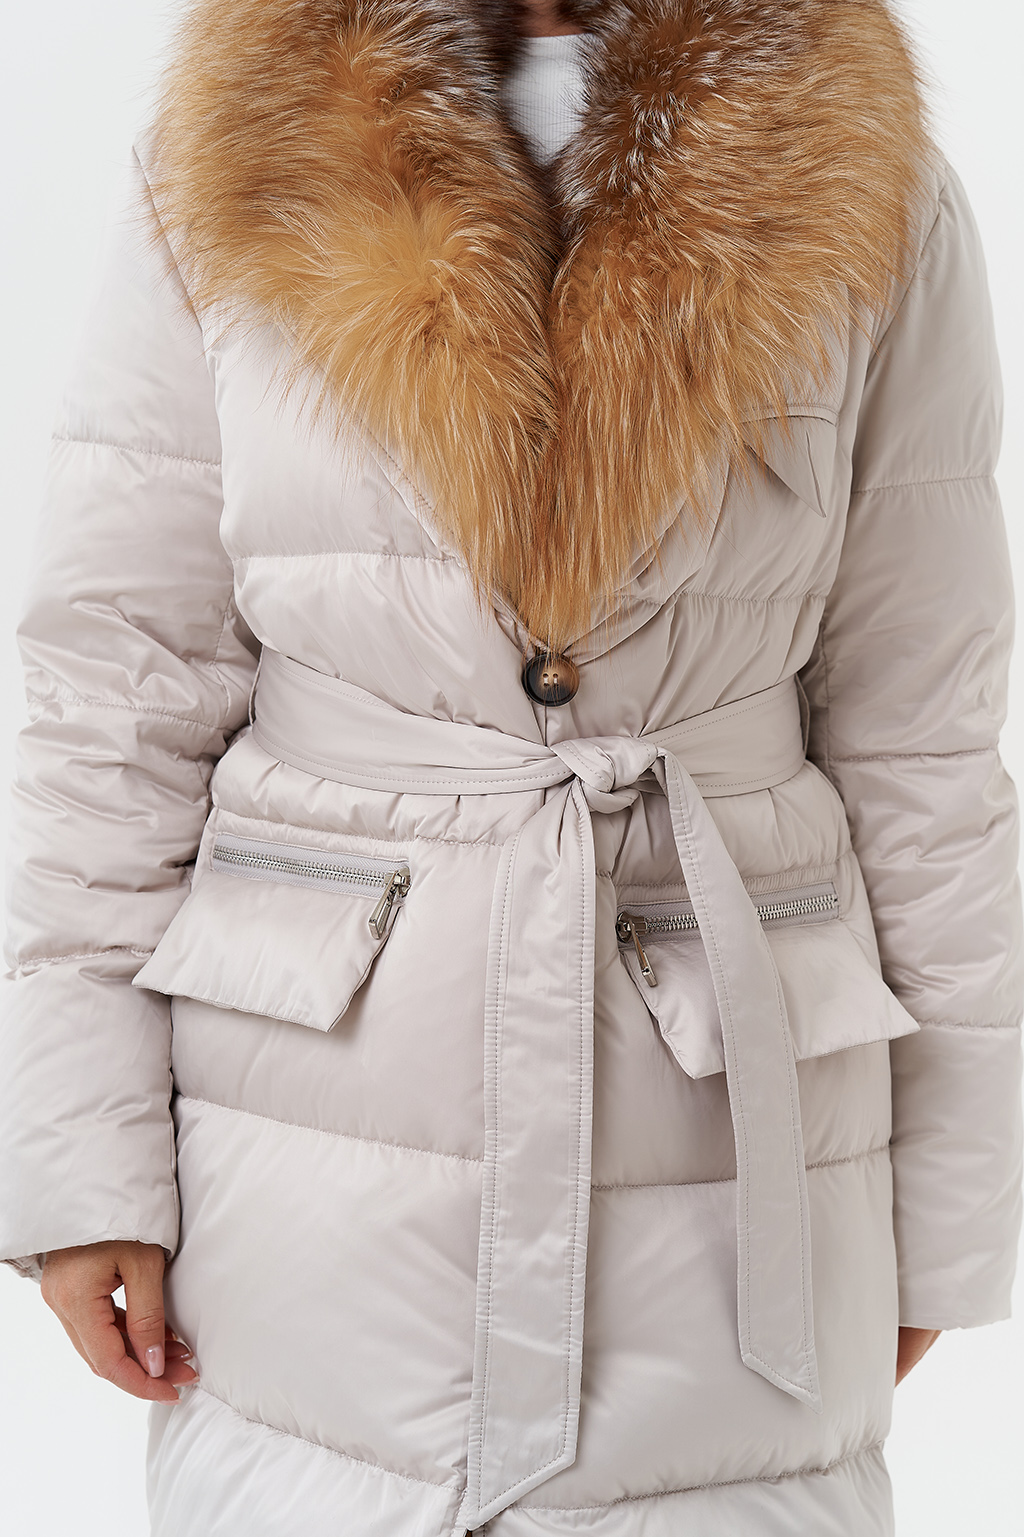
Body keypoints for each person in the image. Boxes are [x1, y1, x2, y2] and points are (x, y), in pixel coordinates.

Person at [1, 1, 1020, 1532]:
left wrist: (948, 1211)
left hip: (735, 1165)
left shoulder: (865, 171)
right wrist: (81, 1157)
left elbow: (925, 733)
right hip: (310, 1156)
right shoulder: (230, 145)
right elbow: (115, 693)